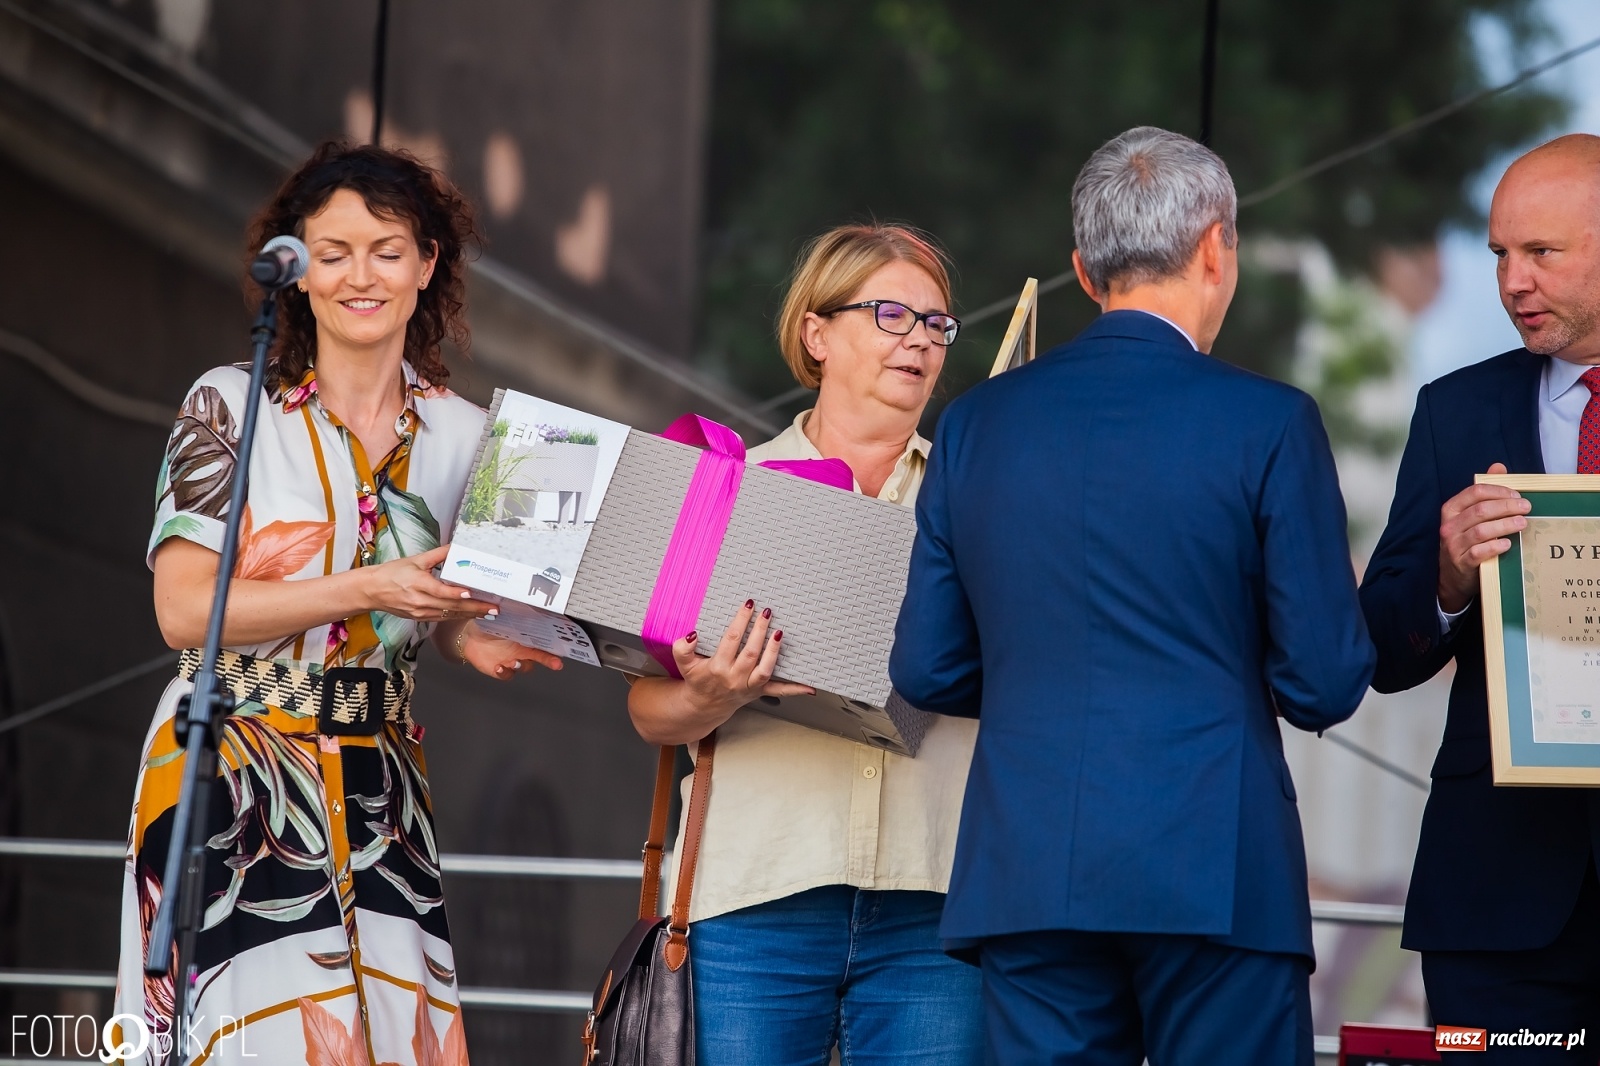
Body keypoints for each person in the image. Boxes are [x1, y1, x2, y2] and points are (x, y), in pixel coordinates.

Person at [889, 126, 1376, 1066]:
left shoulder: (977, 425)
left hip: (1029, 869)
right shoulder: (1270, 423)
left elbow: (928, 664)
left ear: (1082, 268)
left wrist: (1049, 684)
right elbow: (1322, 682)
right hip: (1217, 870)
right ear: (1214, 248)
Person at [115, 142, 562, 1064]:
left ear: (428, 263)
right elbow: (181, 611)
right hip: (229, 763)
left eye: (388, 250)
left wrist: (468, 639)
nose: (362, 275)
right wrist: (367, 587)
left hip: (381, 778)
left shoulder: (474, 437)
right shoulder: (228, 405)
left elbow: (441, 613)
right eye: (333, 251)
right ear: (297, 269)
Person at [626, 223, 984, 1066]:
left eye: (936, 325)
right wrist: (715, 694)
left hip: (933, 900)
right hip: (757, 896)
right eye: (892, 314)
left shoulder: (979, 504)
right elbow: (647, 711)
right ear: (816, 334)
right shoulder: (725, 490)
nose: (920, 341)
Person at [1361, 133, 1600, 1054]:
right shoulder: (1454, 408)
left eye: (1542, 252)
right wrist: (1450, 575)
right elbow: (1378, 651)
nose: (1512, 282)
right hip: (1499, 897)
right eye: (1500, 253)